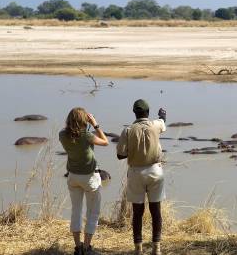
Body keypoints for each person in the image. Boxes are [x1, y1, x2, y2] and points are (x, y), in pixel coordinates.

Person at [116, 99, 166, 255]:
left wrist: (134, 150)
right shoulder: (155, 125)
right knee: (155, 210)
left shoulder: (128, 130)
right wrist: (163, 115)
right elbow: (162, 122)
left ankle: (138, 248)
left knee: (137, 212)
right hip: (155, 171)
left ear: (134, 112)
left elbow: (120, 155)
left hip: (136, 173)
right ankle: (156, 247)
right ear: (148, 112)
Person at [59, 108, 109, 255]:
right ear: (84, 121)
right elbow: (105, 142)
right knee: (93, 212)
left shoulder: (62, 135)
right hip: (89, 177)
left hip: (73, 176)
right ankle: (87, 247)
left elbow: (69, 130)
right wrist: (95, 124)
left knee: (76, 211)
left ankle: (78, 247)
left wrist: (75, 122)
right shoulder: (86, 135)